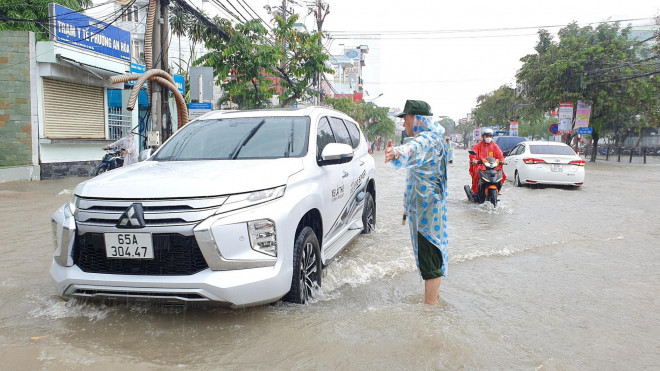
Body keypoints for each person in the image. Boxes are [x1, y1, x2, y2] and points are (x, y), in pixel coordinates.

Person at [385, 99, 448, 305]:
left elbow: (412, 148)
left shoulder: (427, 140)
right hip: (428, 208)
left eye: (406, 119)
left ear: (417, 119)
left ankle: (430, 312)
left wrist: (396, 152)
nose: (404, 124)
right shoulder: (434, 139)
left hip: (427, 210)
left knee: (429, 258)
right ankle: (434, 300)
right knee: (429, 255)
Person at [469, 128, 505, 194]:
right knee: (477, 174)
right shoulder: (477, 146)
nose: (488, 138)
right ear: (483, 136)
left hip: (492, 166)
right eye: (487, 136)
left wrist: (502, 161)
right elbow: (473, 155)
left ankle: (497, 189)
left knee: (502, 175)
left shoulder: (495, 146)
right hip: (480, 166)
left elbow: (500, 155)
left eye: (490, 136)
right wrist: (474, 160)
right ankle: (475, 190)